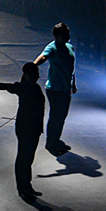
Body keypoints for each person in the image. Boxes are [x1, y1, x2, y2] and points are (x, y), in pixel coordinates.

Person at [0, 63, 46, 201]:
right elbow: (6, 86)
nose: (36, 77)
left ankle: (26, 185)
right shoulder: (24, 87)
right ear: (27, 75)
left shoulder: (33, 87)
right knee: (24, 158)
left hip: (33, 129)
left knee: (28, 158)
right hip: (26, 128)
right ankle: (23, 187)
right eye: (34, 75)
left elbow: (7, 86)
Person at [34, 22, 78, 156]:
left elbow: (72, 67)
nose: (67, 36)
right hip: (54, 88)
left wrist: (73, 83)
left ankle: (55, 139)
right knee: (56, 116)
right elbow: (43, 56)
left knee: (62, 116)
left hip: (65, 88)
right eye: (64, 34)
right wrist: (33, 66)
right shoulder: (52, 47)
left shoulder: (69, 47)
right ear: (57, 36)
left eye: (68, 33)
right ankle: (51, 143)